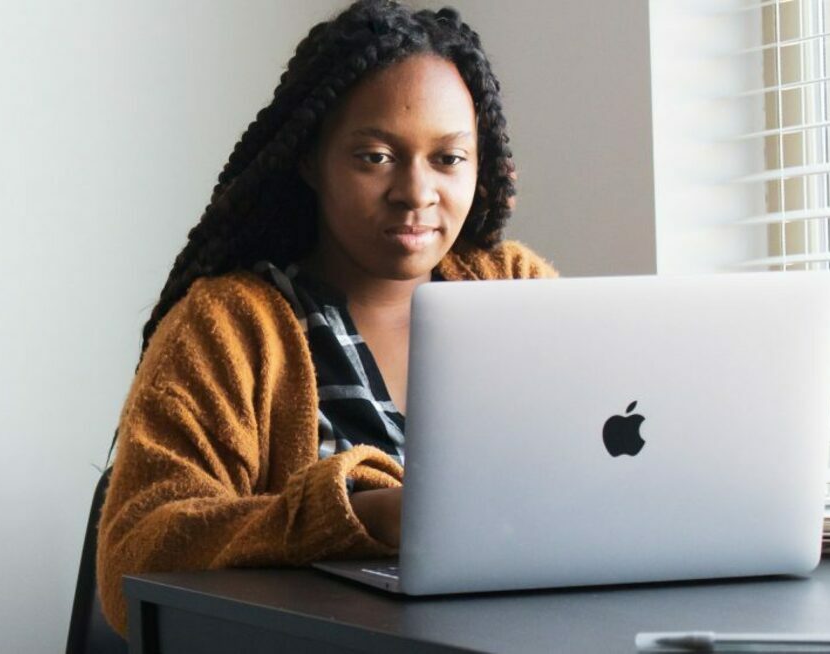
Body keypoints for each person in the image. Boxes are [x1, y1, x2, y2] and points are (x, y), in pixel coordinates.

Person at [95, 0, 557, 636]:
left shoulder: (516, 292)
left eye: (448, 158)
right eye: (375, 156)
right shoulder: (229, 327)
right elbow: (136, 556)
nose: (416, 192)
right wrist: (364, 516)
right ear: (312, 160)